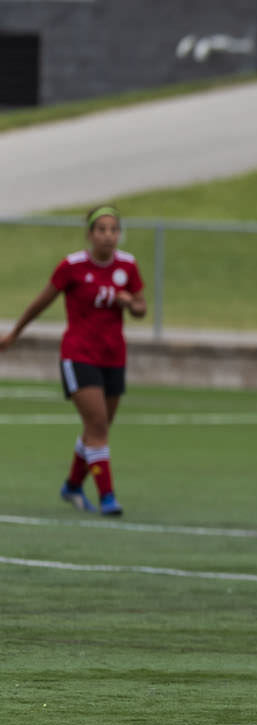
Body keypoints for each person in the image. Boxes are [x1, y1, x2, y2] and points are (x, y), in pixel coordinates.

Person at [0, 206, 147, 516]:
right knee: (96, 424)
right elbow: (41, 302)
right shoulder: (72, 267)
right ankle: (108, 497)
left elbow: (141, 308)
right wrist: (14, 332)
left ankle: (71, 485)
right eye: (102, 229)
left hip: (114, 356)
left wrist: (130, 303)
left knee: (100, 426)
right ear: (90, 234)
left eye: (113, 230)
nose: (108, 236)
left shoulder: (128, 266)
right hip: (78, 355)